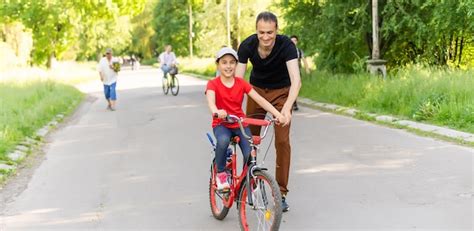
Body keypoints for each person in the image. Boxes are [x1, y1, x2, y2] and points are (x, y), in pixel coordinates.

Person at [235, 11, 301, 212]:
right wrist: (234, 108)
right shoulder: (247, 45)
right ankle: (251, 184)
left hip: (281, 94)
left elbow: (296, 81)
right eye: (261, 32)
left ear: (276, 31)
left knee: (282, 141)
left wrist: (287, 109)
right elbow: (237, 82)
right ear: (256, 31)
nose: (265, 37)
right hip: (255, 93)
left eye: (270, 33)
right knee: (250, 141)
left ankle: (280, 193)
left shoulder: (287, 46)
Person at [206, 47, 287, 191]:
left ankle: (246, 181)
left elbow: (260, 100)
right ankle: (221, 173)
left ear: (236, 65)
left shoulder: (241, 83)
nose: (228, 66)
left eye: (232, 62)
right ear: (218, 64)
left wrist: (278, 114)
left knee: (250, 153)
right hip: (222, 123)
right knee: (223, 140)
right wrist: (217, 111)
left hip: (239, 124)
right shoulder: (213, 84)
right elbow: (211, 102)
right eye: (224, 62)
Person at [290, 35, 310, 111]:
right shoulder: (287, 50)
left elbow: (304, 60)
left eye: (295, 40)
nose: (293, 42)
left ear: (297, 42)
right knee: (290, 87)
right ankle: (293, 102)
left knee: (298, 86)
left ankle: (294, 101)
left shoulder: (299, 51)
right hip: (289, 72)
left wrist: (307, 68)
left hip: (297, 71)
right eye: (292, 40)